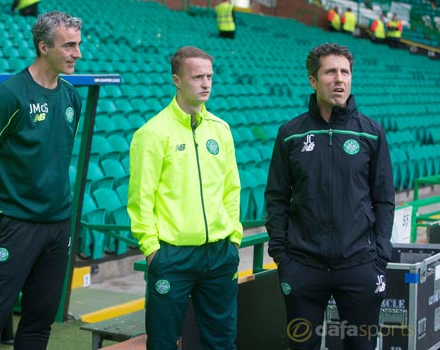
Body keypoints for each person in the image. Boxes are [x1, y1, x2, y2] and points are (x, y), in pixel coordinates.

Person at [0, 11, 82, 350]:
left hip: (57, 225)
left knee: (39, 322)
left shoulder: (72, 97)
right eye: (69, 46)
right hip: (13, 224)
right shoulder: (8, 96)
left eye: (78, 45)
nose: (77, 54)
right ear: (43, 47)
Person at [265, 43, 394, 350]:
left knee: (361, 346)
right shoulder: (291, 133)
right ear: (313, 79)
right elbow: (276, 196)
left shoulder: (371, 133)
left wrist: (380, 252)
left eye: (345, 72)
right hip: (303, 265)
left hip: (360, 264)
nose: (339, 79)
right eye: (330, 72)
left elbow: (384, 197)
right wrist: (282, 255)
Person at [127, 46, 242, 350]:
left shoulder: (221, 130)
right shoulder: (151, 133)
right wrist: (153, 251)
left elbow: (232, 189)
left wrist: (234, 239)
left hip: (219, 254)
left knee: (222, 342)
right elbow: (141, 199)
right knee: (164, 342)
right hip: (172, 257)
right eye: (197, 77)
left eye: (209, 77)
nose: (205, 84)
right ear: (177, 80)